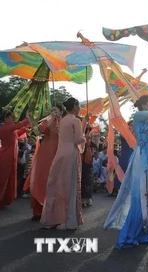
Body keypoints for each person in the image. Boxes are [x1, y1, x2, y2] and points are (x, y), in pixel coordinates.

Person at [104, 95, 148, 249]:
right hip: (142, 157)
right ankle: (128, 237)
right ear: (143, 105)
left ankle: (143, 233)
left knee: (147, 195)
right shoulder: (138, 115)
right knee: (140, 196)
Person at [41, 98, 86, 230]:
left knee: (55, 185)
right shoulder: (75, 120)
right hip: (71, 154)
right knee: (71, 187)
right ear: (76, 106)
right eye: (78, 105)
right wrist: (84, 137)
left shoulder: (63, 120)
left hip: (60, 154)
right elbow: (78, 139)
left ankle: (51, 218)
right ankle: (70, 221)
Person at [28, 104, 63, 221]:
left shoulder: (63, 123)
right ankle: (38, 210)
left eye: (56, 110)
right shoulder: (47, 121)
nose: (54, 112)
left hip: (57, 154)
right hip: (45, 153)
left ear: (61, 112)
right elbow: (39, 132)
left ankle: (51, 211)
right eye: (52, 110)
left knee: (53, 181)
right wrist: (51, 118)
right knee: (41, 178)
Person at [0, 110, 30, 208]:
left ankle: (5, 199)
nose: (13, 119)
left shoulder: (9, 128)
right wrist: (27, 116)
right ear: (6, 118)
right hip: (6, 156)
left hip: (10, 156)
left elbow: (18, 131)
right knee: (4, 179)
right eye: (11, 117)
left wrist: (25, 129)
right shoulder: (5, 128)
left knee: (9, 178)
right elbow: (19, 125)